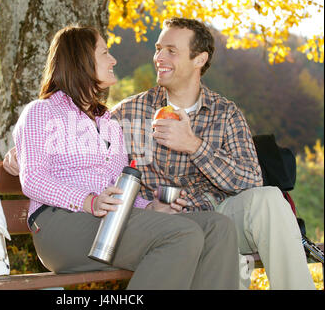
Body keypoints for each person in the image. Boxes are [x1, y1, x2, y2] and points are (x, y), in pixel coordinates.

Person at [8, 25, 240, 290]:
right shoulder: (42, 112)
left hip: (110, 223)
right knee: (182, 234)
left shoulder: (109, 125)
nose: (113, 60)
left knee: (217, 227)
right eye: (105, 52)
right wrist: (89, 202)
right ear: (80, 60)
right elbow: (34, 179)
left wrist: (150, 207)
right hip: (60, 225)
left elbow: (120, 191)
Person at [110, 17, 315, 290]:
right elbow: (103, 174)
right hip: (162, 225)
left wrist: (194, 145)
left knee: (269, 198)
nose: (159, 57)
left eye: (171, 50)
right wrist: (150, 205)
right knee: (215, 247)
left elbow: (251, 178)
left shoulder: (226, 113)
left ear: (199, 59)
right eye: (159, 48)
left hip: (220, 216)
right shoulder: (128, 113)